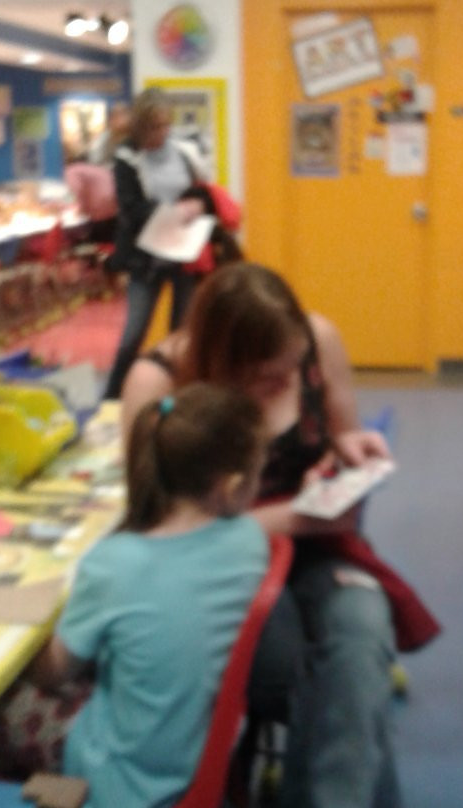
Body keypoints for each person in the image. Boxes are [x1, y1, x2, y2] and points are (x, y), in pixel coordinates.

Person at [121, 262, 441, 808]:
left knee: (363, 633)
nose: (289, 383)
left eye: (295, 369)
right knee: (301, 670)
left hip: (320, 551)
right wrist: (295, 516)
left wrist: (351, 453)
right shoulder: (159, 383)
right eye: (271, 377)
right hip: (217, 568)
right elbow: (162, 529)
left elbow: (340, 435)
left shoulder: (317, 341)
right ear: (225, 368)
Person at [29, 383, 274, 808]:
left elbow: (53, 673)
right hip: (202, 754)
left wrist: (28, 635)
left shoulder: (113, 563)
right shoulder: (250, 540)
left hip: (119, 779)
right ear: (233, 487)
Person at [103, 88, 209, 400]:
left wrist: (198, 204)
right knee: (133, 334)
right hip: (145, 258)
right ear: (140, 126)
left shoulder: (184, 150)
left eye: (165, 125)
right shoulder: (126, 157)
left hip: (184, 255)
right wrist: (173, 212)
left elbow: (203, 191)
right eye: (153, 127)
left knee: (181, 336)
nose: (161, 133)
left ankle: (176, 397)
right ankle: (112, 399)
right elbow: (131, 208)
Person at [88, 100, 131, 166]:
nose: (122, 119)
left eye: (124, 114)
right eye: (117, 116)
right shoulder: (102, 141)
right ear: (111, 119)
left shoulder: (131, 139)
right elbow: (94, 162)